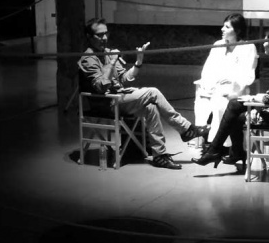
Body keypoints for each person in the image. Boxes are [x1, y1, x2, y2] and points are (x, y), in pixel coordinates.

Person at [78, 18, 210, 170]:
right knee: (153, 92)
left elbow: (124, 78)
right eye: (99, 35)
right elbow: (101, 87)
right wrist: (112, 62)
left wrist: (138, 61)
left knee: (151, 107)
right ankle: (186, 129)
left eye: (106, 34)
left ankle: (159, 155)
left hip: (119, 97)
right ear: (89, 37)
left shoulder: (108, 53)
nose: (104, 38)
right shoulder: (88, 58)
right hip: (106, 103)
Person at [192, 30, 269, 168]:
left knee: (234, 106)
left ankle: (216, 150)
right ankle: (232, 152)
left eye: (266, 41)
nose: (264, 44)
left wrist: (252, 98)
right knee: (235, 111)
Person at [193, 13, 258, 154]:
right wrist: (208, 85)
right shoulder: (218, 45)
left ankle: (219, 146)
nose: (222, 29)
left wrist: (232, 81)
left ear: (237, 30)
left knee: (221, 104)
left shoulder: (248, 47)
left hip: (235, 90)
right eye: (223, 26)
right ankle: (209, 139)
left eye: (227, 27)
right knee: (202, 101)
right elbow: (207, 70)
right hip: (214, 88)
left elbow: (248, 75)